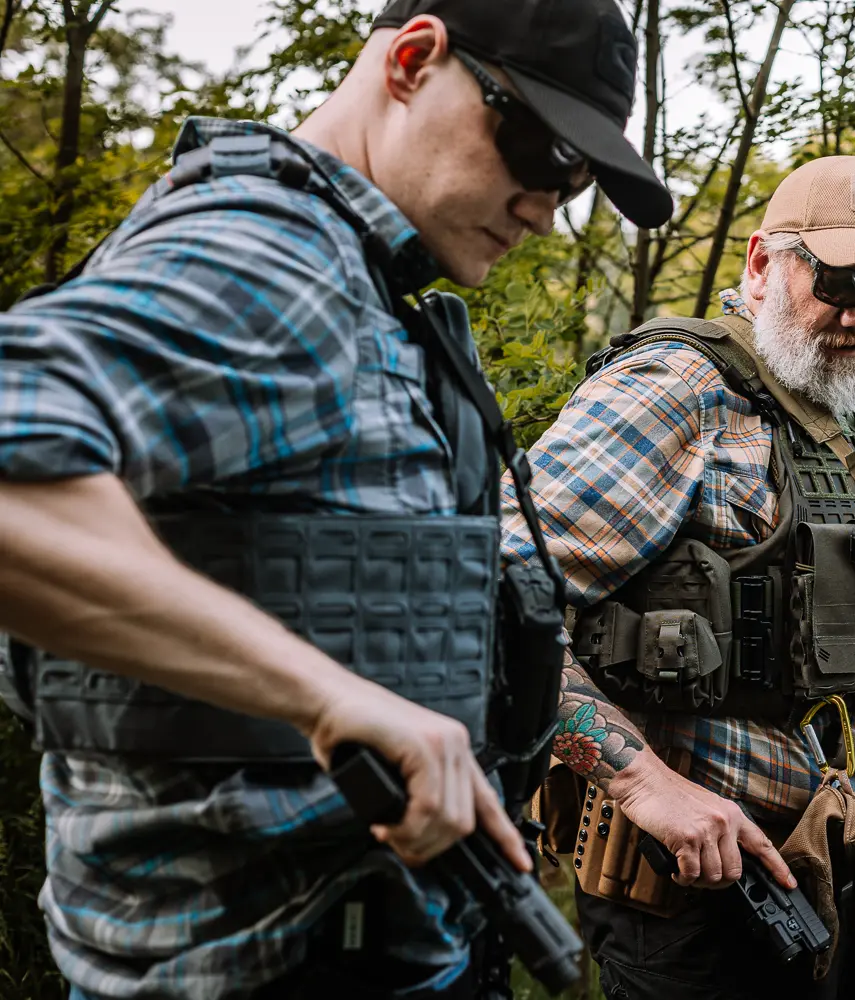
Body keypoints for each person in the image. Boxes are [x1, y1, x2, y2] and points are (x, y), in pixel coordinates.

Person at [0, 1, 670, 998]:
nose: (545, 208)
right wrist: (328, 697)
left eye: (576, 183)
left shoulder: (358, 285)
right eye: (542, 150)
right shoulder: (271, 260)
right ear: (413, 60)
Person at [503, 156, 855, 999]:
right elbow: (486, 597)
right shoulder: (675, 390)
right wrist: (645, 785)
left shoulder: (840, 423)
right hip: (695, 913)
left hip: (828, 885)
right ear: (762, 263)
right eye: (839, 281)